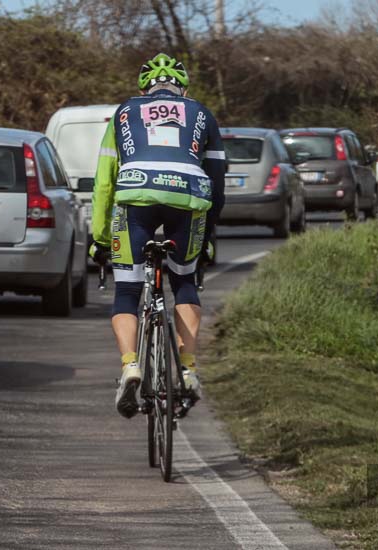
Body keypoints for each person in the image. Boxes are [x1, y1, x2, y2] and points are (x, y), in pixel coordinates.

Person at [89, 53, 226, 418]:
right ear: (182, 88)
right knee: (184, 281)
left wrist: (100, 238)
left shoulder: (123, 112)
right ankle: (188, 368)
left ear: (143, 88)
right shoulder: (202, 113)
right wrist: (208, 236)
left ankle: (131, 365)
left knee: (128, 290)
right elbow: (218, 181)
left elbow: (104, 181)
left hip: (135, 197)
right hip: (190, 199)